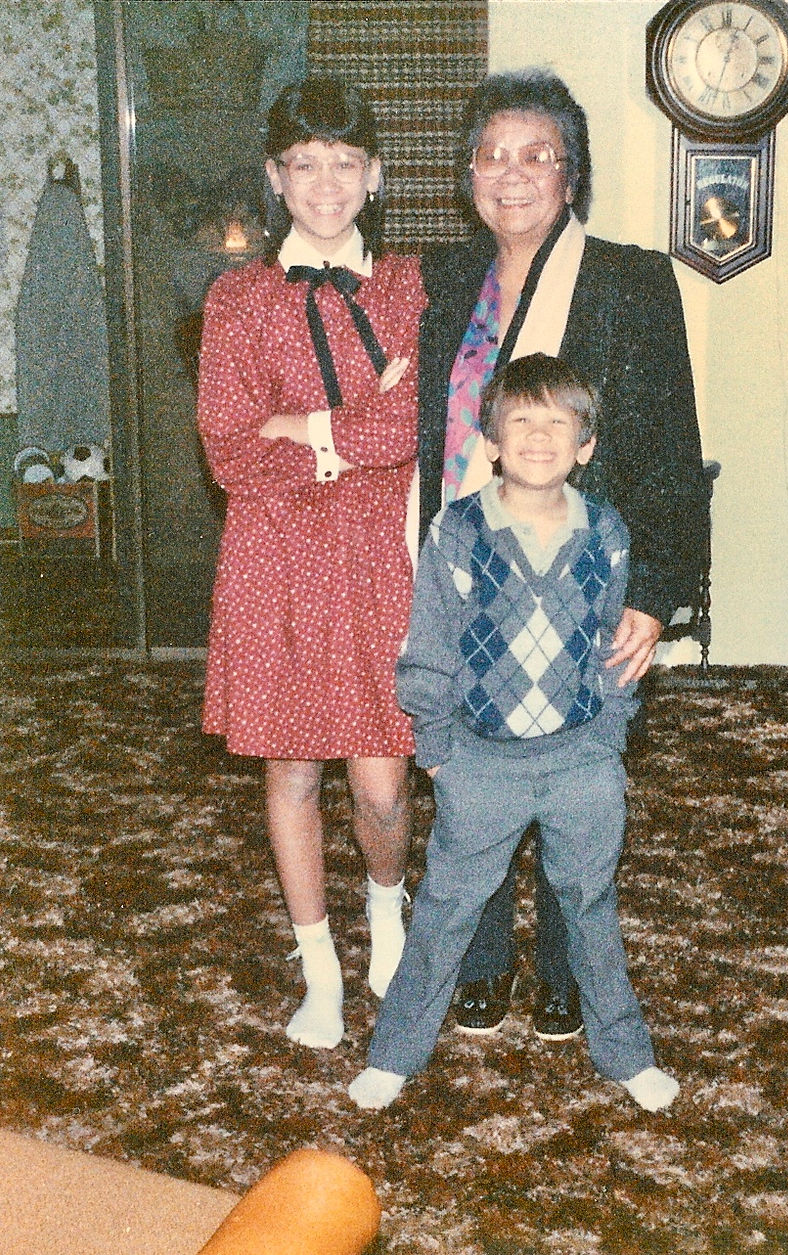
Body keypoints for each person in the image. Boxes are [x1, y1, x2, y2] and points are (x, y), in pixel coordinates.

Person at [416, 68, 706, 1040]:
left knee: (573, 786)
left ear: (569, 177)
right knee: (474, 776)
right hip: (471, 577)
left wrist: (657, 597)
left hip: (585, 582)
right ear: (467, 175)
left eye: (535, 155)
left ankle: (563, 968)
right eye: (491, 154)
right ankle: (484, 955)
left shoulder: (628, 279)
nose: (511, 174)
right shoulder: (445, 281)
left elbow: (668, 448)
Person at [348, 353, 680, 1113]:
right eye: (521, 420)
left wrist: (609, 741)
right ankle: (395, 1053)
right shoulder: (457, 530)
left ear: (585, 445)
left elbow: (615, 647)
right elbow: (427, 647)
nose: (539, 435)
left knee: (590, 903)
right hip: (481, 764)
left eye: (559, 422)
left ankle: (626, 1052)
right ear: (491, 438)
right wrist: (437, 751)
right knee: (445, 910)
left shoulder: (607, 531)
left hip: (582, 759)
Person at [196, 76, 425, 1050]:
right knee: (291, 769)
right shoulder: (237, 298)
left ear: (372, 176)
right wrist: (348, 428)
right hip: (276, 559)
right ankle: (318, 968)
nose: (323, 184)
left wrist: (302, 425)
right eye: (303, 165)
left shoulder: (414, 285)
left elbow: (417, 418)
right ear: (274, 178)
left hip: (379, 555)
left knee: (381, 784)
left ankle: (386, 915)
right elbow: (230, 449)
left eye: (343, 163)